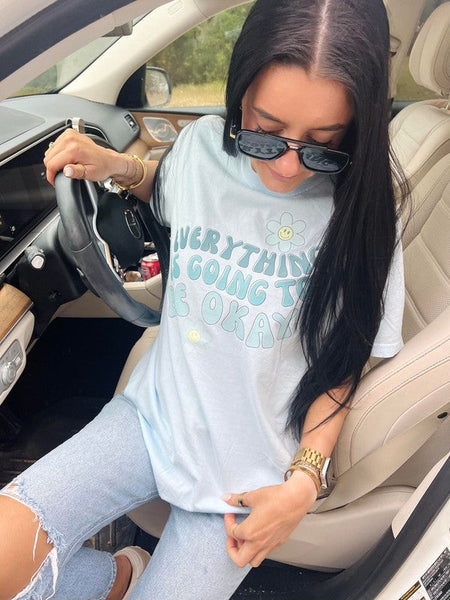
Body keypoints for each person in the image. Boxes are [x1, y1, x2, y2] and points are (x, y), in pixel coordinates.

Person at [0, 0, 408, 598]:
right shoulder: (201, 148)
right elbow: (171, 188)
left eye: (323, 144)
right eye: (265, 133)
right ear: (240, 95)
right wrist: (115, 166)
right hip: (151, 418)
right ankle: (120, 578)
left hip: (243, 479)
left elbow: (341, 365)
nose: (287, 166)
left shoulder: (363, 219)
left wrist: (302, 482)